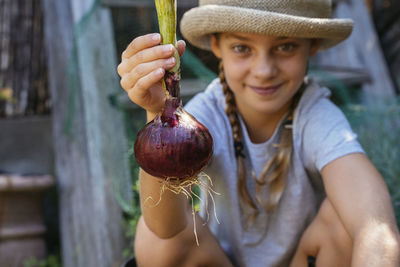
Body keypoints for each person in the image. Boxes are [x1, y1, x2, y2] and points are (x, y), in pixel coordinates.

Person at [117, 0, 400, 266]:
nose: (264, 70)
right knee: (156, 241)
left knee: (345, 222)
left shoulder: (315, 116)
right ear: (217, 45)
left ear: (311, 47)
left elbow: (374, 223)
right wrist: (160, 114)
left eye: (286, 46)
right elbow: (164, 229)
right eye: (242, 47)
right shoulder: (208, 112)